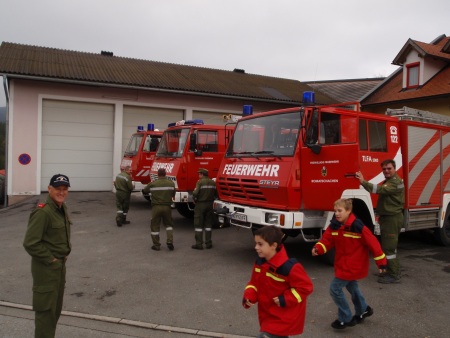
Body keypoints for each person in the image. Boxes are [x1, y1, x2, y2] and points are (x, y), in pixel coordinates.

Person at [312, 198, 387, 330]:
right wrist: (318, 248)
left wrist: (382, 263)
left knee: (334, 289)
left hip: (353, 265)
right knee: (352, 287)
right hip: (342, 263)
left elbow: (373, 244)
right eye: (335, 211)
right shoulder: (334, 225)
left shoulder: (358, 227)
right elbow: (327, 240)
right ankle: (363, 310)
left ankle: (345, 318)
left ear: (348, 211)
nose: (337, 214)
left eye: (340, 211)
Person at [23, 174, 72, 338]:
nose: (62, 192)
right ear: (49, 189)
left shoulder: (61, 207)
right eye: (58, 189)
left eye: (65, 189)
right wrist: (51, 259)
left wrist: (64, 254)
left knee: (54, 312)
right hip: (46, 269)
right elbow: (30, 242)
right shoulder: (43, 212)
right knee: (45, 315)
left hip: (58, 268)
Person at [243, 226, 313, 338]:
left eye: (260, 244)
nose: (256, 247)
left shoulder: (290, 267)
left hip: (283, 317)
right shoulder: (260, 263)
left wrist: (285, 299)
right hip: (267, 315)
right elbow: (253, 284)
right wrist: (249, 296)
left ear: (274, 245)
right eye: (256, 243)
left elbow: (306, 287)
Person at [356, 159, 405, 284]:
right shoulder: (389, 181)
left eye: (389, 168)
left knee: (389, 249)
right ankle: (391, 271)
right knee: (388, 247)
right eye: (384, 169)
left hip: (392, 219)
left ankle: (394, 275)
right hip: (388, 218)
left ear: (394, 169)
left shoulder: (395, 183)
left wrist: (362, 181)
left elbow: (378, 190)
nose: (386, 171)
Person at [143, 168, 175, 251]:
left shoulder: (153, 184)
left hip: (156, 207)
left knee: (155, 226)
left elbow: (145, 191)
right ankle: (169, 241)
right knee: (169, 225)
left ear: (158, 174)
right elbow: (173, 193)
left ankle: (156, 245)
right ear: (165, 174)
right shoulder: (171, 183)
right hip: (167, 207)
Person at [191, 168, 217, 250]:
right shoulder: (213, 182)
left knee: (198, 224)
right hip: (210, 204)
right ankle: (208, 243)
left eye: (199, 174)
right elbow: (216, 194)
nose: (199, 175)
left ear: (202, 174)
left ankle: (199, 244)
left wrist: (194, 196)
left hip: (200, 205)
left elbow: (195, 193)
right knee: (208, 224)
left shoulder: (200, 182)